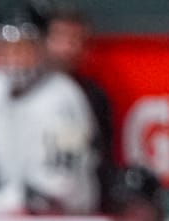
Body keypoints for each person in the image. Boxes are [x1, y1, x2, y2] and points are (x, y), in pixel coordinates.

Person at [0, 14, 97, 216]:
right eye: (6, 49)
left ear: (41, 49)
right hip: (7, 216)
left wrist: (3, 201)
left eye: (22, 49)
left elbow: (63, 182)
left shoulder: (65, 97)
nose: (13, 58)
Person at [44, 7, 116, 208]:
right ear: (43, 41)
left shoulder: (91, 97)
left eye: (75, 40)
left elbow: (99, 160)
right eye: (60, 38)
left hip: (76, 207)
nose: (67, 48)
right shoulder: (21, 91)